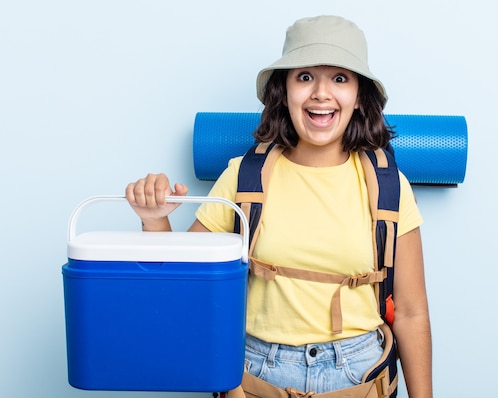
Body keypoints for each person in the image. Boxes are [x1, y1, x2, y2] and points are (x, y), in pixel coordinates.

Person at [126, 15, 432, 397]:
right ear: (284, 91)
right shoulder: (243, 178)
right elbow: (184, 292)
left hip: (359, 376)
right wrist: (155, 222)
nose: (321, 93)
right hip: (255, 374)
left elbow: (410, 312)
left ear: (359, 97)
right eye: (305, 76)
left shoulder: (389, 186)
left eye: (340, 78)